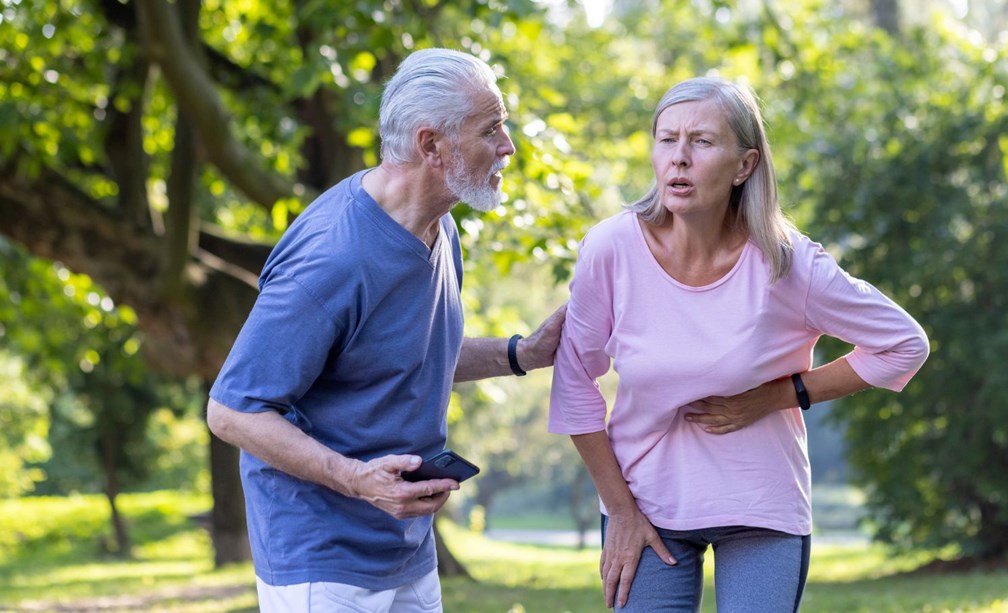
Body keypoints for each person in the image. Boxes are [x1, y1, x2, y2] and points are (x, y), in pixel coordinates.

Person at [548, 77, 929, 612]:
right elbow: (573, 381)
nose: (679, 158)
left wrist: (778, 395)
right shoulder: (611, 249)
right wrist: (622, 510)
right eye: (667, 139)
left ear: (744, 165)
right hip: (644, 500)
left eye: (702, 142)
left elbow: (903, 344)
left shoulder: (787, 262)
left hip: (760, 502)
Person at [207, 48, 565, 613]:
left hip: (406, 549)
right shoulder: (332, 259)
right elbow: (233, 410)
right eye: (490, 129)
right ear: (431, 145)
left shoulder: (440, 227)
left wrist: (523, 353)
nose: (508, 146)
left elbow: (412, 354)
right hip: (322, 556)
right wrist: (356, 479)